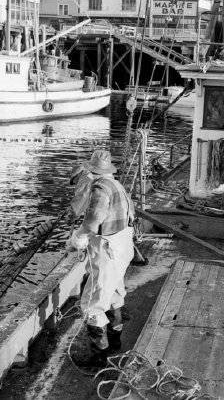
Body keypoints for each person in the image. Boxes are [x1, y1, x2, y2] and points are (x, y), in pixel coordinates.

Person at [66, 150, 135, 355]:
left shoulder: (100, 188)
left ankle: (100, 356)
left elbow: (94, 217)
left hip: (107, 252)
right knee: (113, 293)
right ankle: (115, 343)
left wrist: (78, 237)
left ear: (91, 170)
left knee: (91, 305)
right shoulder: (117, 185)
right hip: (122, 247)